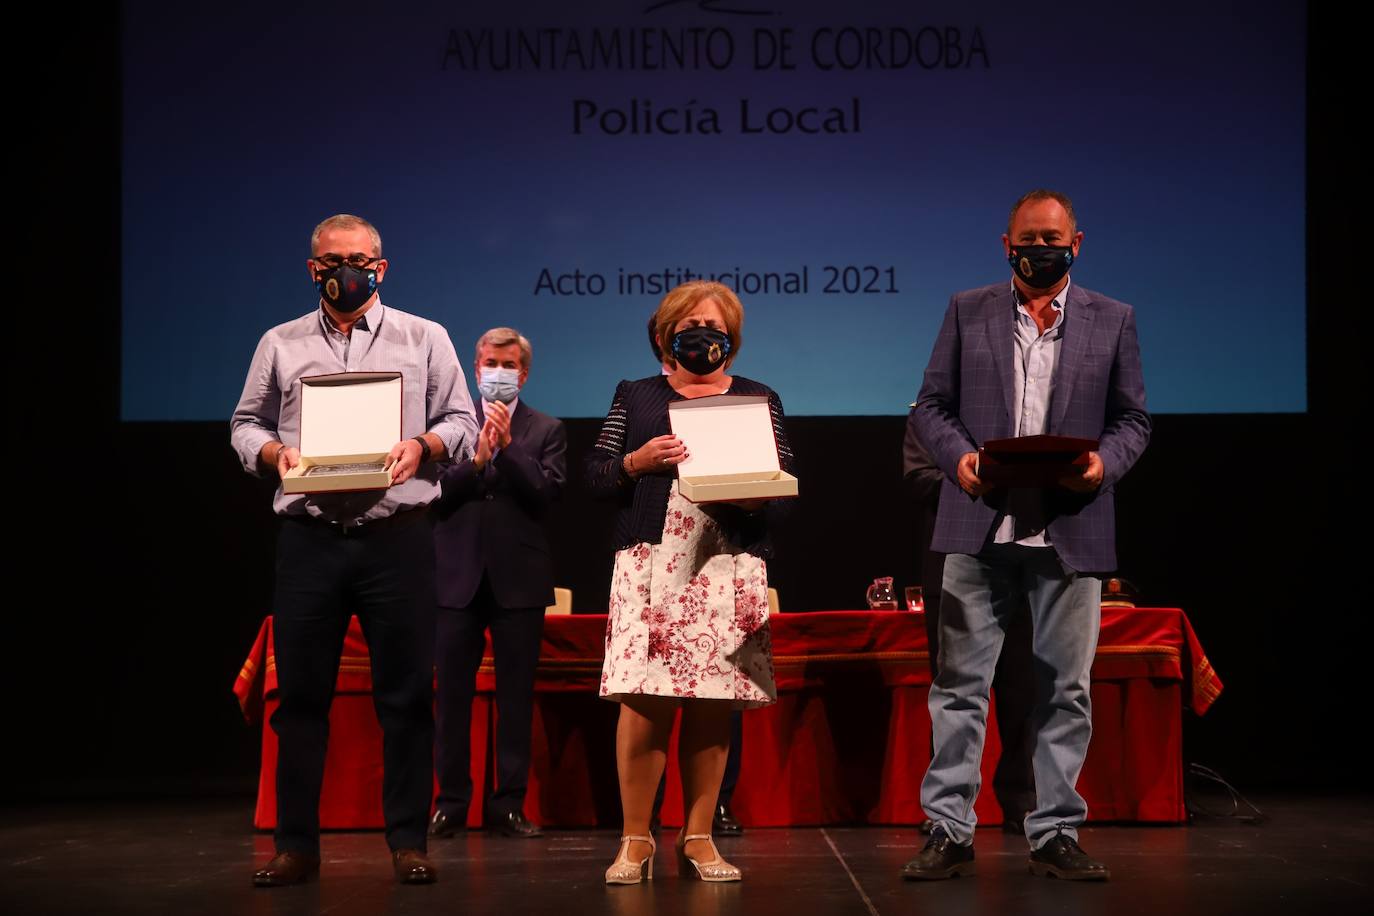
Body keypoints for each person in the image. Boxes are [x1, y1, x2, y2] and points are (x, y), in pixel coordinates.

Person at [904, 190, 1150, 882]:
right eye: (1027, 238)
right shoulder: (966, 309)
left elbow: (1134, 420)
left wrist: (1103, 465)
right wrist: (960, 461)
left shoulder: (1114, 320)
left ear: (1077, 241)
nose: (1040, 248)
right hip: (978, 525)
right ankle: (948, 827)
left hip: (1071, 529)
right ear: (1004, 244)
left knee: (1064, 689)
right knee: (958, 687)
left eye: (1053, 237)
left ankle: (1055, 831)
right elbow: (931, 405)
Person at [231, 214, 477, 887]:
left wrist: (422, 446)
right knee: (301, 701)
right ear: (313, 270)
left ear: (383, 268)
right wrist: (274, 452)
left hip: (397, 540)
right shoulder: (279, 343)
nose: (349, 270)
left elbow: (463, 420)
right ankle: (296, 847)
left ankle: (406, 841)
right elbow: (245, 424)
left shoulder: (424, 338)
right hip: (310, 541)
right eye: (335, 260)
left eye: (361, 259)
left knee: (404, 699)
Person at [586, 281, 793, 884]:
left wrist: (755, 498)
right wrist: (636, 462)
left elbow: (784, 493)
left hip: (726, 563)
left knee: (712, 705)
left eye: (715, 327)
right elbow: (596, 476)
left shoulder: (759, 397)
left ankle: (698, 837)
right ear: (665, 335)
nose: (703, 336)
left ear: (733, 339)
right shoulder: (638, 394)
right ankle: (635, 840)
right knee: (643, 703)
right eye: (690, 326)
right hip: (653, 562)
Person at [429, 328, 567, 840]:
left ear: (523, 373)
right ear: (475, 365)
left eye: (508, 364)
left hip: (519, 580)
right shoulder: (450, 427)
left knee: (514, 697)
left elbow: (546, 496)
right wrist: (478, 460)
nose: (498, 371)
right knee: (452, 698)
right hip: (456, 577)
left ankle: (507, 803)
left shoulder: (546, 428)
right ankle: (450, 802)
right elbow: (433, 495)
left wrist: (507, 450)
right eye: (490, 362)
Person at [904, 416, 1036, 834]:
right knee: (954, 688)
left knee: (1023, 689)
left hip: (1027, 558)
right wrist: (982, 475)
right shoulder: (933, 416)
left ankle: (1023, 802)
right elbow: (918, 479)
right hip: (955, 558)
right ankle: (949, 812)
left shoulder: (1027, 409)